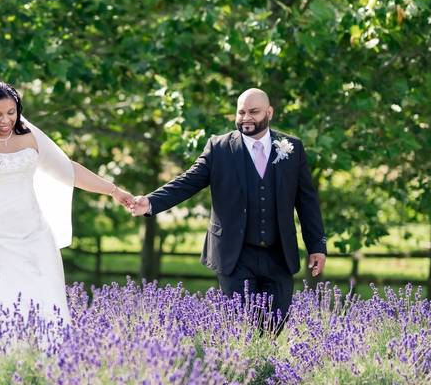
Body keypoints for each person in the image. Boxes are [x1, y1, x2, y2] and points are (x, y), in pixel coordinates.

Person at [0, 81, 133, 323]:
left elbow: (68, 170)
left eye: (11, 113)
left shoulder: (30, 137)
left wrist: (113, 190)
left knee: (42, 309)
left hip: (33, 238)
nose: (5, 120)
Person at [129, 88, 326, 323]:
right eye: (241, 112)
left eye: (253, 111)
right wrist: (150, 202)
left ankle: (266, 361)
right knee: (242, 326)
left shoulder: (292, 148)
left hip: (279, 254)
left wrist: (317, 245)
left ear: (269, 112)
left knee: (276, 323)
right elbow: (187, 182)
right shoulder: (219, 148)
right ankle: (243, 361)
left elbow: (307, 200)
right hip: (235, 254)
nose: (246, 117)